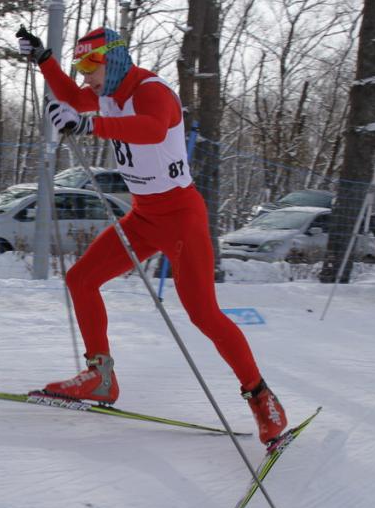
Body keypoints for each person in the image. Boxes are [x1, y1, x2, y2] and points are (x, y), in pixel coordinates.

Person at [16, 25, 288, 444]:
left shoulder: (151, 90)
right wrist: (45, 60)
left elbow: (153, 129)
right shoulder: (107, 92)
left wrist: (90, 127)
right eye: (81, 66)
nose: (85, 74)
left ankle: (261, 397)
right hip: (144, 217)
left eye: (91, 65)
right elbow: (72, 97)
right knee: (81, 279)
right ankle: (100, 376)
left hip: (182, 218)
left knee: (203, 314)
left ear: (115, 59)